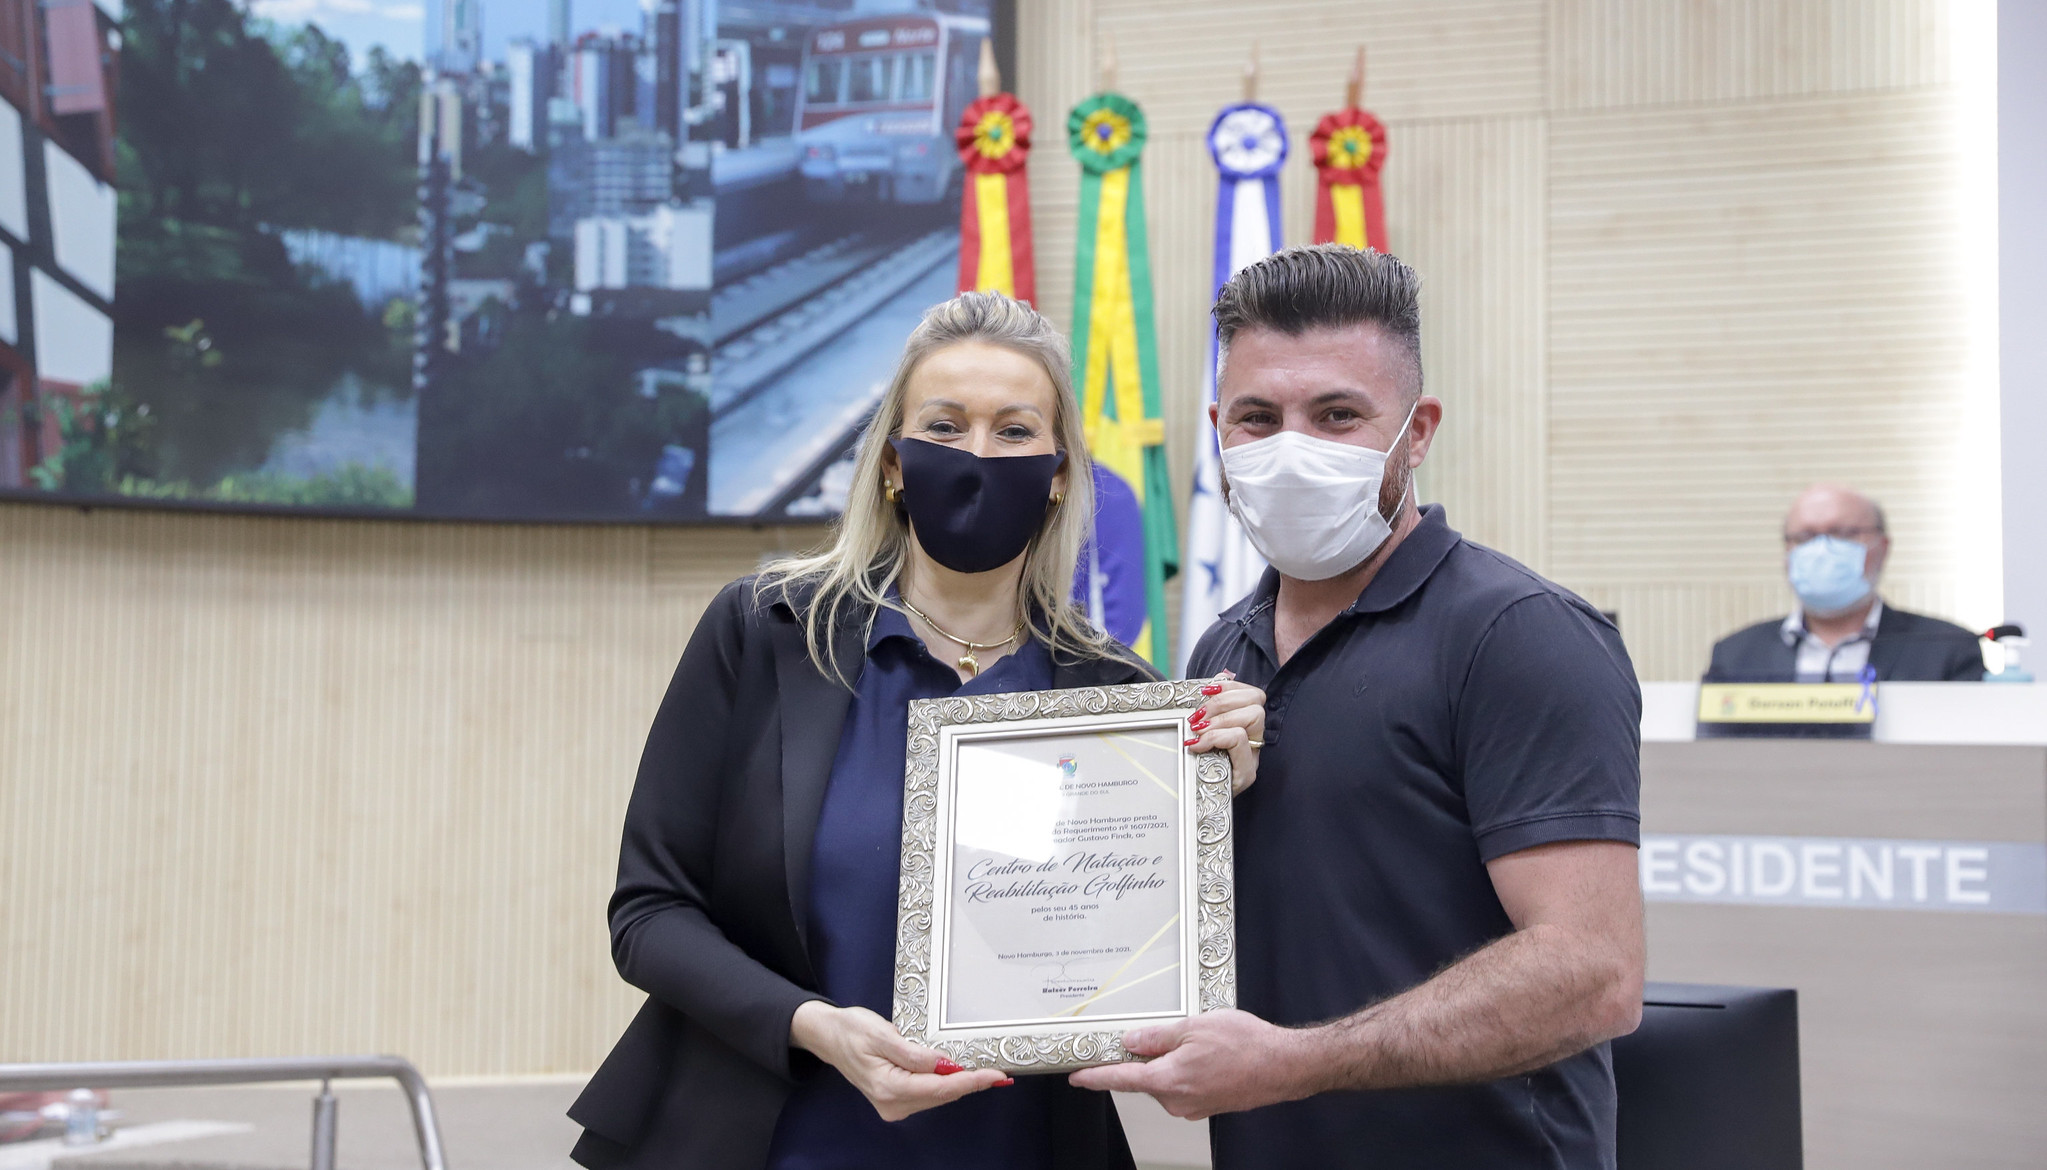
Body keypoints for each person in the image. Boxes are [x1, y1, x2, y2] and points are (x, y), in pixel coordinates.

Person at [565, 292, 1266, 1170]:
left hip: (1015, 1147)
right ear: (893, 462)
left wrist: (1211, 794)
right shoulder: (767, 631)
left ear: (1057, 474)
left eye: (1014, 431)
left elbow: (1132, 960)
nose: (976, 454)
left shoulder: (1114, 698)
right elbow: (650, 913)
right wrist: (815, 1027)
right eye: (943, 425)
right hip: (764, 1140)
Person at [1072, 245, 1646, 1170]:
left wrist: (1293, 1064)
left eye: (1336, 415)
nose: (1290, 446)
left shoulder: (1517, 636)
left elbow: (1594, 975)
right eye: (1257, 418)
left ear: (1415, 433)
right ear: (1218, 430)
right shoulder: (1224, 649)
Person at [1705, 485, 1985, 682]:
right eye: (1804, 538)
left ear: (1882, 547)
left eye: (1843, 534)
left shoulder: (1948, 649)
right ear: (1786, 553)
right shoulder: (1735, 655)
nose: (1822, 550)